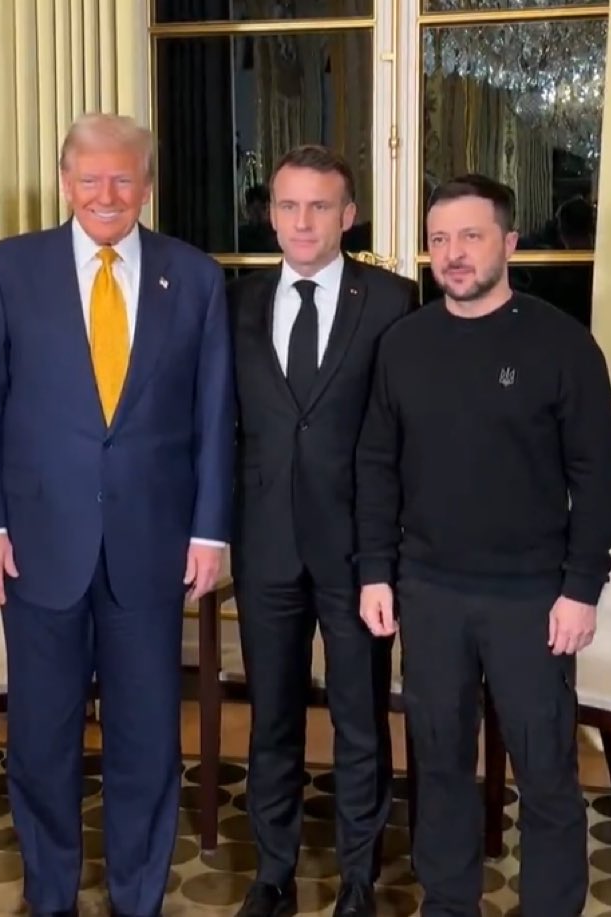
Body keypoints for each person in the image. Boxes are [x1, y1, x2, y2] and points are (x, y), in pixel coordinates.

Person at [0, 113, 234, 917]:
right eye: (90, 178)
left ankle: (138, 897)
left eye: (122, 179)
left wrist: (210, 530)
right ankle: (51, 896)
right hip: (36, 546)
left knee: (147, 740)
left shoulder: (194, 277)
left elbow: (215, 414)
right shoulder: (10, 269)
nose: (106, 194)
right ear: (65, 181)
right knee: (42, 741)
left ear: (147, 185)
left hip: (153, 547)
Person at [355, 174, 611, 917]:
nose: (453, 253)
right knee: (438, 763)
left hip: (533, 596)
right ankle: (448, 902)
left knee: (546, 771)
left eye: (470, 236)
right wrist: (375, 572)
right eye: (439, 239)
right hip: (429, 591)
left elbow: (597, 475)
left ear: (509, 242)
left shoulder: (562, 344)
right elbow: (375, 466)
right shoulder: (403, 345)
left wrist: (582, 587)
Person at [229, 145, 419, 917]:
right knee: (270, 720)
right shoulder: (235, 300)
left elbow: (406, 435)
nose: (302, 221)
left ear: (348, 215)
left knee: (359, 720)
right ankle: (272, 872)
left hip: (356, 551)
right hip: (266, 543)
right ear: (271, 214)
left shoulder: (395, 301)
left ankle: (357, 879)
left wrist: (391, 553)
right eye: (288, 205)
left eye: (319, 206)